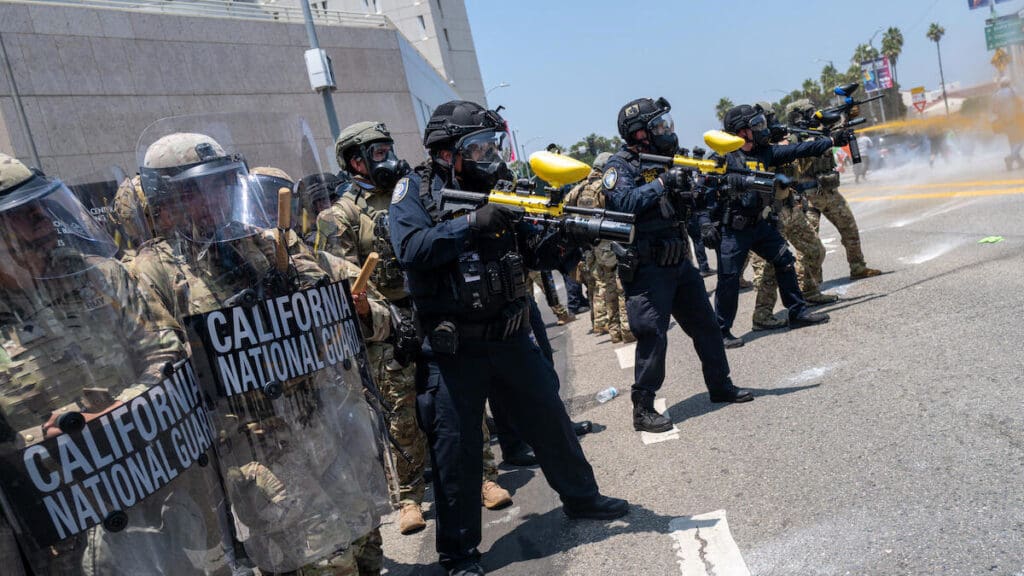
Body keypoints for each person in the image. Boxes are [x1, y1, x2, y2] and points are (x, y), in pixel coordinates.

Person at [129, 129, 390, 575]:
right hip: (261, 454)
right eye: (199, 190)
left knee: (366, 554)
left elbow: (368, 306)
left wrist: (360, 310)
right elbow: (157, 370)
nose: (217, 198)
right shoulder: (152, 273)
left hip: (330, 428)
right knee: (326, 565)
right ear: (166, 203)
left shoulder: (273, 243)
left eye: (224, 182)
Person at [389, 100, 628, 575]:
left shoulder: (501, 191)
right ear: (446, 154)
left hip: (512, 337)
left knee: (550, 420)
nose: (488, 155)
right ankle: (458, 553)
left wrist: (566, 236)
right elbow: (411, 249)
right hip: (454, 349)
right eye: (476, 147)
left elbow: (533, 254)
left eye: (490, 145)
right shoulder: (413, 191)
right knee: (456, 453)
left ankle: (582, 498)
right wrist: (469, 225)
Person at [0, 153, 228, 575]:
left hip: (154, 488)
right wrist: (41, 441)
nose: (44, 219)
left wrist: (111, 415)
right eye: (22, 214)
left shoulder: (101, 278)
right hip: (61, 530)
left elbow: (168, 355)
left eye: (41, 205)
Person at [320, 121, 513, 534]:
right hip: (386, 323)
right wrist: (383, 319)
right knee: (401, 411)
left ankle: (485, 476)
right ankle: (409, 498)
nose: (387, 158)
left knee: (464, 399)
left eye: (388, 148)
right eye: (376, 153)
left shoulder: (417, 190)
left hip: (433, 308)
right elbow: (343, 274)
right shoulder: (341, 214)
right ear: (355, 162)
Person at [601, 97, 753, 434]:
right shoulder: (620, 165)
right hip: (647, 266)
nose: (666, 132)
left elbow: (691, 201)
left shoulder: (671, 159)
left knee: (706, 325)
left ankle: (720, 385)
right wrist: (661, 183)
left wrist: (706, 196)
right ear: (637, 133)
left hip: (679, 261)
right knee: (652, 336)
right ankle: (642, 409)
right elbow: (623, 201)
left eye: (665, 125)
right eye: (657, 127)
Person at [706, 104, 832, 348]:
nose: (761, 129)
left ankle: (797, 311)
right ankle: (720, 332)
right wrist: (705, 225)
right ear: (741, 131)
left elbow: (797, 150)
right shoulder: (721, 157)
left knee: (784, 260)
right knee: (728, 279)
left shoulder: (763, 153)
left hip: (760, 224)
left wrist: (829, 140)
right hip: (733, 229)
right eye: (756, 126)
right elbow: (705, 193)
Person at [785, 100, 882, 282]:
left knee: (849, 229)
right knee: (808, 244)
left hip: (829, 191)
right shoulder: (793, 139)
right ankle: (809, 283)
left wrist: (848, 114)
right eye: (809, 113)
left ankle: (858, 266)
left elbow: (838, 126)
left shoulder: (822, 130)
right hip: (808, 197)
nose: (814, 115)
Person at [563, 151, 634, 343]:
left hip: (590, 246)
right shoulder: (605, 186)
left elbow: (564, 208)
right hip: (610, 242)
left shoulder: (580, 189)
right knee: (621, 286)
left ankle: (613, 331)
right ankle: (627, 330)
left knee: (605, 286)